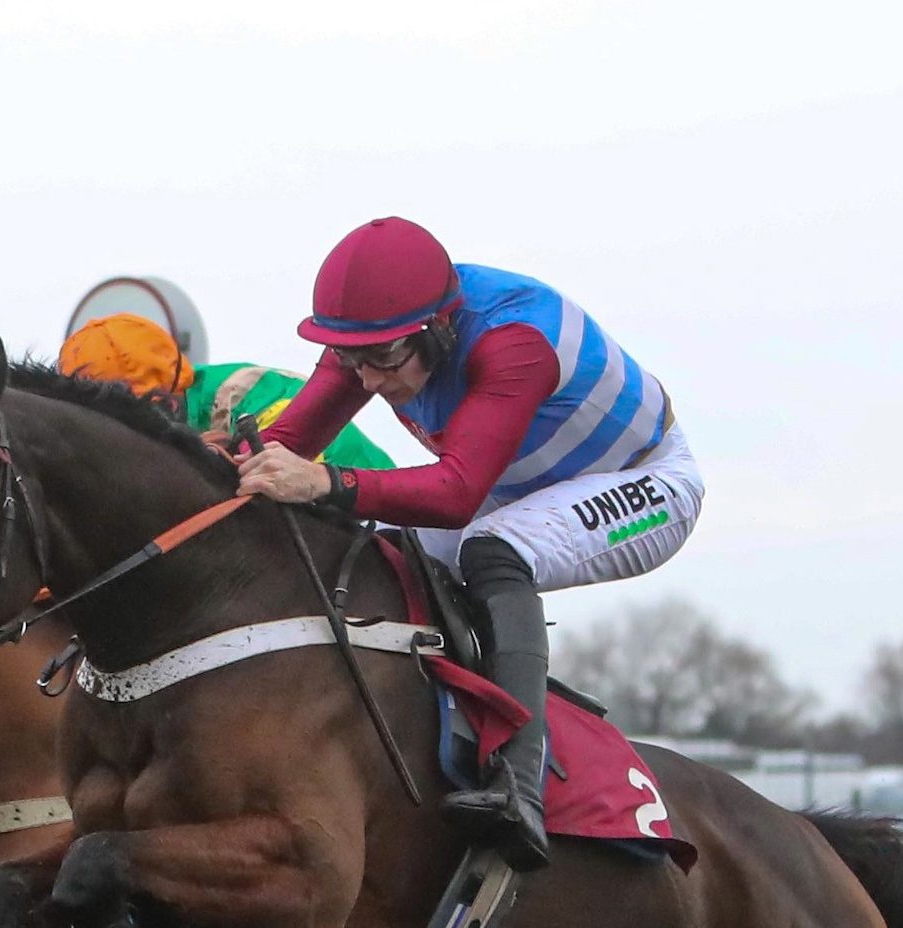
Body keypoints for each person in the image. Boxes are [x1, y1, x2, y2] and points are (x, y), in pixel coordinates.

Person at [236, 217, 706, 870]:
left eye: (381, 361)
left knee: (493, 552)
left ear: (440, 329)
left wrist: (323, 480)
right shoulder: (374, 335)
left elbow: (455, 493)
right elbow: (286, 439)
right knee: (389, 563)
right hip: (511, 485)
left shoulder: (514, 341)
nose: (365, 379)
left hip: (645, 482)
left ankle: (519, 781)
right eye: (350, 359)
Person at [57, 313, 393, 470]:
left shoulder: (249, 394)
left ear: (168, 398)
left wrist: (202, 462)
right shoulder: (180, 394)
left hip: (380, 527)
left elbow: (283, 473)